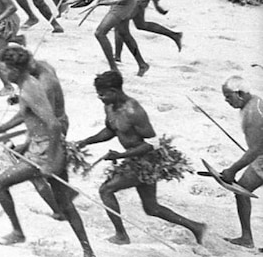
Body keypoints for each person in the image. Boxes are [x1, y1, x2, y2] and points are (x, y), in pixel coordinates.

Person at [0, 46, 100, 257]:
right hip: (44, 147)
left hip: (44, 151)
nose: (3, 72)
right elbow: (24, 114)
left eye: (5, 68)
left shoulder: (30, 88)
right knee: (65, 204)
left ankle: (18, 232)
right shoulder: (28, 86)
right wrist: (0, 130)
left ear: (15, 69)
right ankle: (89, 254)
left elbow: (54, 124)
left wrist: (50, 160)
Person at [75, 71, 207, 245]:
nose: (100, 98)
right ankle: (196, 227)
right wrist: (86, 141)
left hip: (147, 160)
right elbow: (110, 130)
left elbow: (153, 143)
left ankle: (121, 235)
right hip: (134, 159)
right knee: (151, 208)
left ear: (114, 91)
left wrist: (121, 155)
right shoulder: (109, 106)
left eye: (102, 94)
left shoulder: (133, 110)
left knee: (106, 190)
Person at [219, 75, 263, 249]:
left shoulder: (253, 113)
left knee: (242, 189)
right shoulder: (255, 102)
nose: (226, 100)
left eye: (229, 96)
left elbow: (255, 150)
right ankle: (246, 238)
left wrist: (232, 170)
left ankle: (247, 237)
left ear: (240, 94)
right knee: (242, 189)